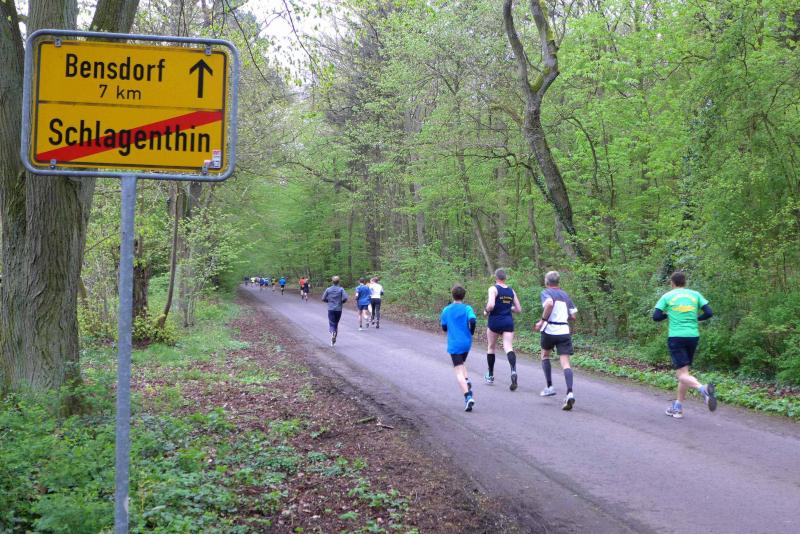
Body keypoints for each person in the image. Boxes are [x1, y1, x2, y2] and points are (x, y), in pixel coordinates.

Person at [653, 271, 717, 418]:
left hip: (676, 337)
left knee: (682, 375)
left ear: (672, 283)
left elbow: (656, 317)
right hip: (693, 336)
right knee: (684, 373)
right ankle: (678, 407)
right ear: (685, 282)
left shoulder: (667, 296)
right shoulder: (695, 295)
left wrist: (667, 314)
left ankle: (703, 389)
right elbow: (709, 313)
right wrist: (696, 319)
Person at [534, 271, 579, 410]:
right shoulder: (565, 295)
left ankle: (549, 386)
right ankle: (570, 393)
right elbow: (573, 316)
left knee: (545, 355)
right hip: (564, 331)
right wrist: (563, 316)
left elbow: (548, 304)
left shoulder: (546, 292)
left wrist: (542, 321)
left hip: (549, 330)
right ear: (558, 281)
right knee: (565, 363)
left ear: (547, 282)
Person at [483, 268, 522, 391]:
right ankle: (513, 371)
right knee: (508, 347)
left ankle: (490, 375)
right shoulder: (511, 291)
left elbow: (491, 305)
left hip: (495, 321)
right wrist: (509, 308)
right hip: (508, 322)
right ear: (505, 278)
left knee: (491, 347)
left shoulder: (493, 289)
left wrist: (486, 311)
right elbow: (518, 309)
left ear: (496, 277)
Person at [440, 285, 478, 411]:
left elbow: (444, 327)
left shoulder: (446, 310)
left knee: (458, 371)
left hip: (454, 343)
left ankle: (468, 396)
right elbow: (473, 321)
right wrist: (471, 332)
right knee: (461, 364)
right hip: (466, 342)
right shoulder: (467, 308)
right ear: (463, 296)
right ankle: (467, 380)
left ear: (452, 295)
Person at [322, 276, 348, 346]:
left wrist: (328, 301)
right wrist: (341, 302)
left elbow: (323, 298)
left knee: (331, 323)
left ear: (332, 282)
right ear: (339, 282)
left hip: (331, 309)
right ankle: (334, 340)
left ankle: (333, 332)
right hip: (338, 309)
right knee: (336, 323)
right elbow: (345, 298)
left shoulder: (328, 289)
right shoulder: (341, 289)